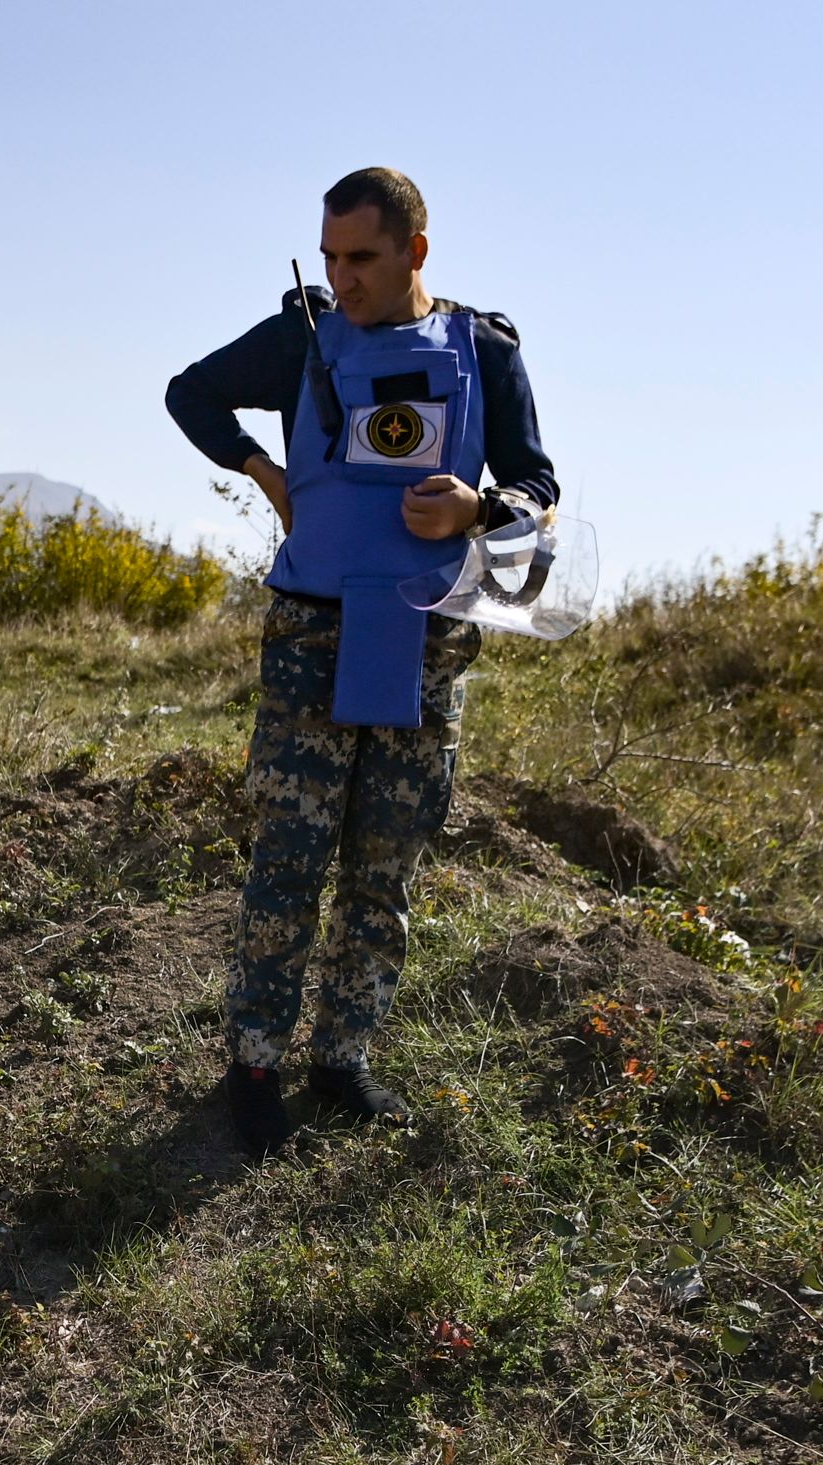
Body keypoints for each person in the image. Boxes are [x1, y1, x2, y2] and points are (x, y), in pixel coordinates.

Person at [166, 166, 559, 1156]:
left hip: (426, 633)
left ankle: (342, 1058)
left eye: (364, 259)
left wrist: (479, 508)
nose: (343, 277)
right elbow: (192, 393)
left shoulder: (484, 348)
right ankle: (255, 1062)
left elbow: (536, 481)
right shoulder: (305, 335)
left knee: (386, 860)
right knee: (289, 857)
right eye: (331, 256)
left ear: (415, 253)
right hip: (310, 629)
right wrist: (265, 471)